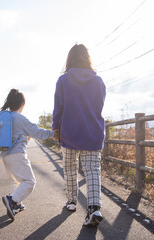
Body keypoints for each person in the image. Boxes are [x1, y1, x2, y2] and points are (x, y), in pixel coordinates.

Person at [52, 43, 106, 227]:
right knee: (92, 170)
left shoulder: (63, 81)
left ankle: (71, 202)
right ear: (88, 59)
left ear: (70, 59)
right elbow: (99, 106)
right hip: (93, 132)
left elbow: (58, 107)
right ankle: (94, 208)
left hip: (70, 132)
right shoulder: (98, 81)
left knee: (70, 168)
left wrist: (55, 128)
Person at [1, 89, 54, 221]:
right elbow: (36, 132)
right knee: (30, 181)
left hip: (5, 155)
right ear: (23, 104)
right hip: (16, 154)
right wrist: (53, 133)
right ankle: (12, 200)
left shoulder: (5, 117)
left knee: (16, 180)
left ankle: (16, 205)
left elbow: (14, 134)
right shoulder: (19, 118)